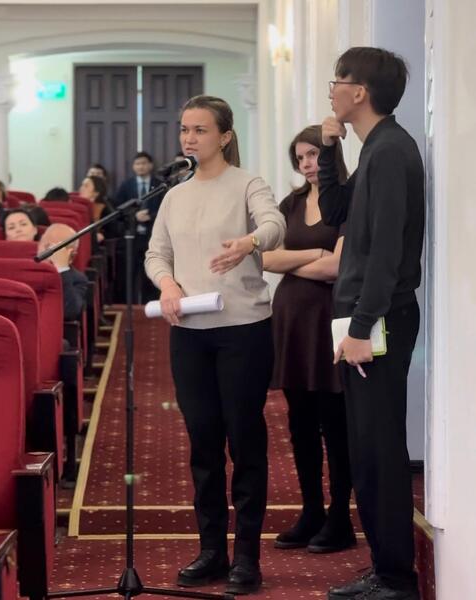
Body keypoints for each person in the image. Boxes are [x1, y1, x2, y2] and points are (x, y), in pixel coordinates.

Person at [145, 95, 286, 595]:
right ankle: (211, 550)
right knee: (203, 443)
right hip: (189, 333)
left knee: (243, 440)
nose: (189, 138)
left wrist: (249, 243)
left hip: (242, 330)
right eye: (185, 129)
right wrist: (167, 284)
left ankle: (247, 555)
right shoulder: (175, 195)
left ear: (224, 136)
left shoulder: (247, 183)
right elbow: (156, 253)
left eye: (200, 130)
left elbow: (274, 226)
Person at [318, 47, 424, 600]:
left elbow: (385, 251)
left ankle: (397, 578)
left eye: (336, 81)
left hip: (377, 320)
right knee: (365, 449)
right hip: (365, 318)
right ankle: (384, 567)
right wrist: (329, 147)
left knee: (380, 450)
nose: (330, 90)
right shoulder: (375, 146)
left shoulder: (390, 150)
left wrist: (361, 327)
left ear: (358, 91)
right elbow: (335, 210)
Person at [263, 125, 355, 554]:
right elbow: (266, 257)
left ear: (330, 154)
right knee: (299, 423)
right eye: (299, 158)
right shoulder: (291, 203)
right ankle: (311, 511)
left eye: (313, 155)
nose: (306, 164)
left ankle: (340, 518)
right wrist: (313, 255)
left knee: (334, 423)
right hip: (293, 323)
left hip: (329, 321)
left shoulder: (345, 201)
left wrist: (294, 263)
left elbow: (337, 268)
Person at [115, 151, 164, 303]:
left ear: (150, 165)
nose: (140, 166)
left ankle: (151, 303)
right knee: (129, 273)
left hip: (152, 235)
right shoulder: (126, 185)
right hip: (132, 236)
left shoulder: (160, 185)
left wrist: (151, 216)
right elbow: (118, 209)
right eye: (137, 164)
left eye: (143, 163)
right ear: (133, 167)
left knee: (151, 272)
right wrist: (134, 216)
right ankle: (129, 304)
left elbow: (165, 208)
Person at [38, 223, 88, 322]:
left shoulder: (77, 279)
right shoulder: (24, 269)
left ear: (71, 256)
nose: (49, 254)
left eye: (57, 250)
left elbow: (70, 312)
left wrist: (61, 268)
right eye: (47, 246)